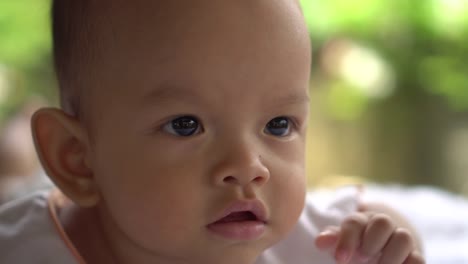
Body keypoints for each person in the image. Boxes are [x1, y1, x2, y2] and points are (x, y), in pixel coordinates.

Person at [0, 1, 425, 263]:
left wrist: (383, 241)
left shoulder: (307, 245)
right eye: (186, 125)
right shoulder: (20, 251)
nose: (248, 167)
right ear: (77, 157)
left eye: (279, 125)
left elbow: (382, 220)